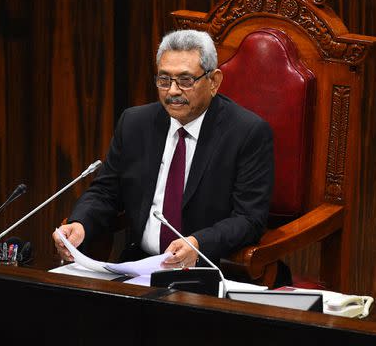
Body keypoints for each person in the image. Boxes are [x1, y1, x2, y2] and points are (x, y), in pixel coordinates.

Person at [53, 29, 274, 269]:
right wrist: (80, 223)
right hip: (137, 266)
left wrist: (199, 243)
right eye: (164, 80)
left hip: (207, 269)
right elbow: (106, 191)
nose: (173, 91)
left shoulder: (247, 133)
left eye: (186, 80)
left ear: (214, 82)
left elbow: (249, 219)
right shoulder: (135, 123)